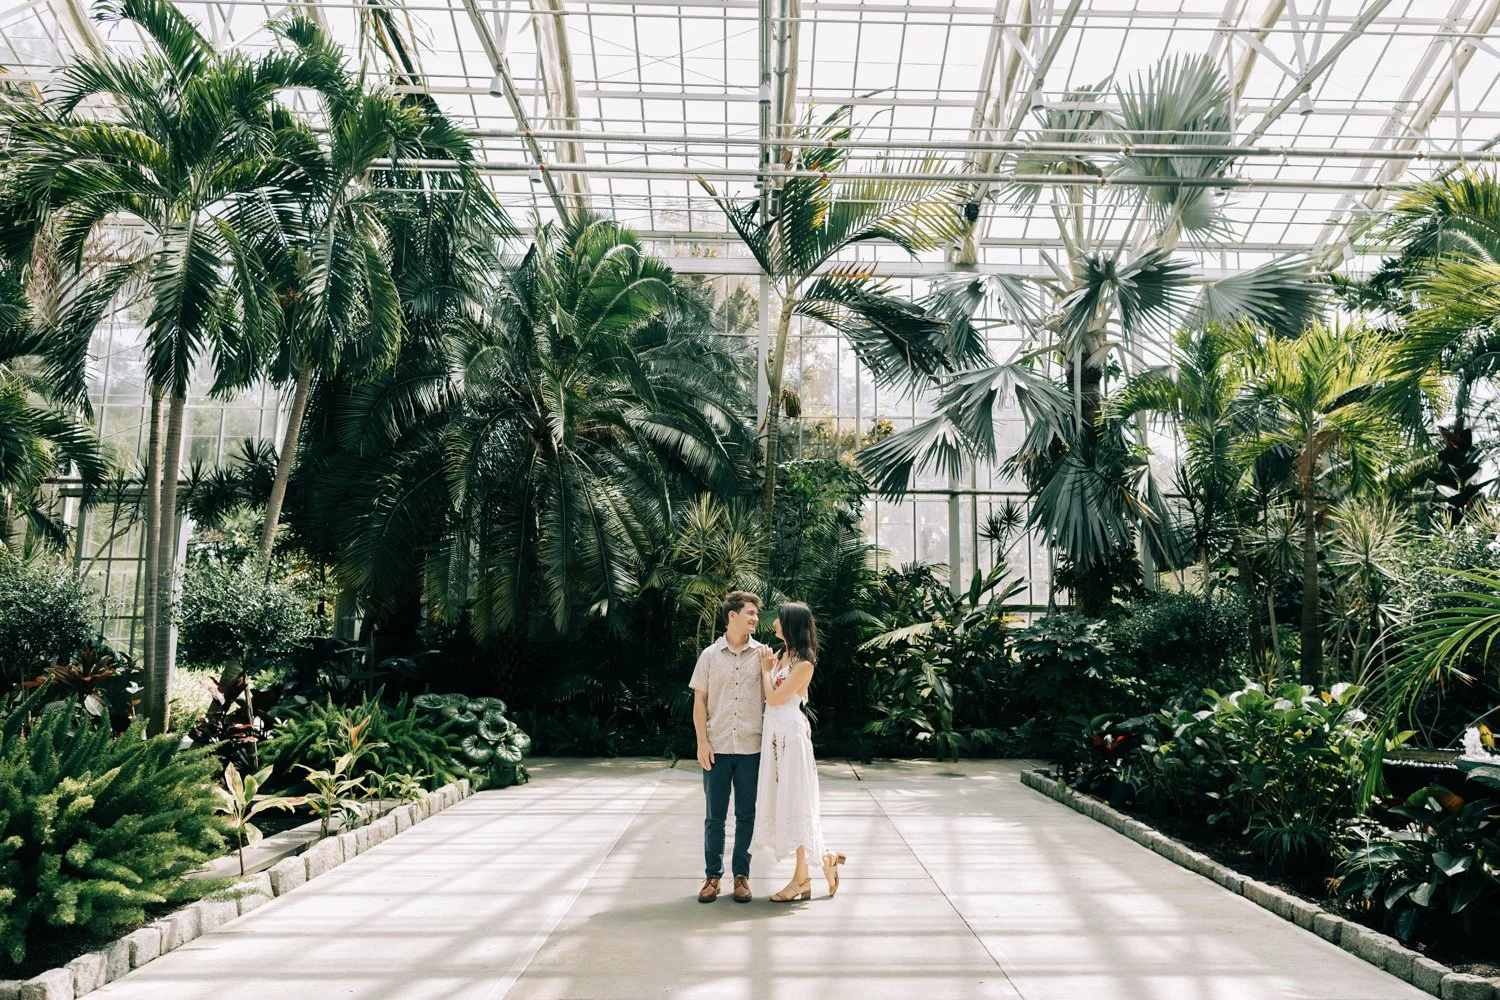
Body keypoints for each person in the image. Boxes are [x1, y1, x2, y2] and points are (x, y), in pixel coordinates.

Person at [750, 601, 846, 901]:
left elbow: (775, 698)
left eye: (779, 619)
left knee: (797, 804)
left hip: (790, 737)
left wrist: (766, 671)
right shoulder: (780, 655)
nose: (773, 623)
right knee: (786, 804)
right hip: (775, 736)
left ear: (790, 624)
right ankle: (825, 859)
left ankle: (801, 880)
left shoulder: (805, 663)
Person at [689, 591, 767, 903]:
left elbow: (773, 699)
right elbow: (699, 702)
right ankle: (712, 877)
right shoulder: (709, 656)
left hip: (751, 748)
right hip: (717, 747)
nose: (755, 618)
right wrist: (702, 742)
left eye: (756, 614)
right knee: (714, 817)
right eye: (749, 613)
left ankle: (741, 877)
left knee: (747, 816)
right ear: (732, 616)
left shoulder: (763, 655)